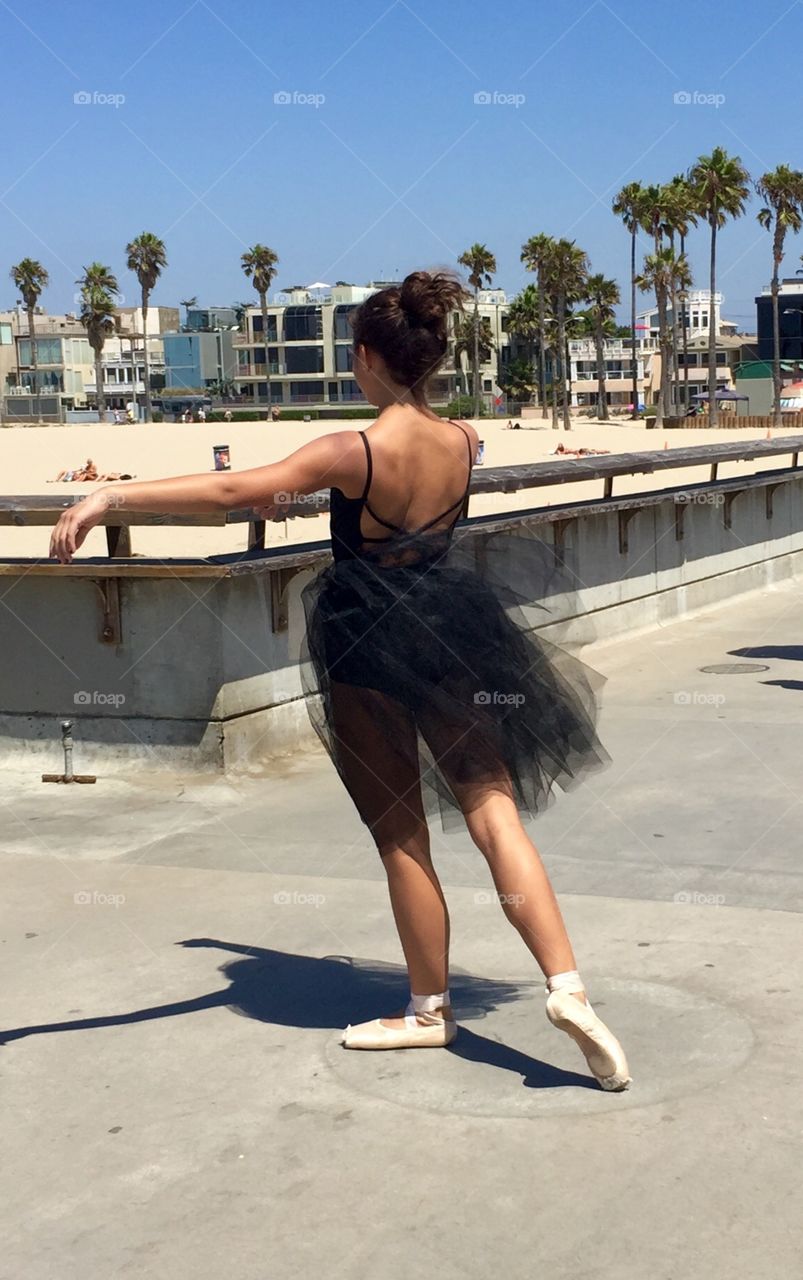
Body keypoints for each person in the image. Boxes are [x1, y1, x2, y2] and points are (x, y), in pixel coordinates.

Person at [47, 270, 630, 1091]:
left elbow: (228, 490)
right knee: (494, 814)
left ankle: (428, 1010)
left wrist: (109, 497)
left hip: (367, 644)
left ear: (364, 357)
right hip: (455, 635)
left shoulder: (350, 450)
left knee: (401, 836)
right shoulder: (462, 441)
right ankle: (566, 986)